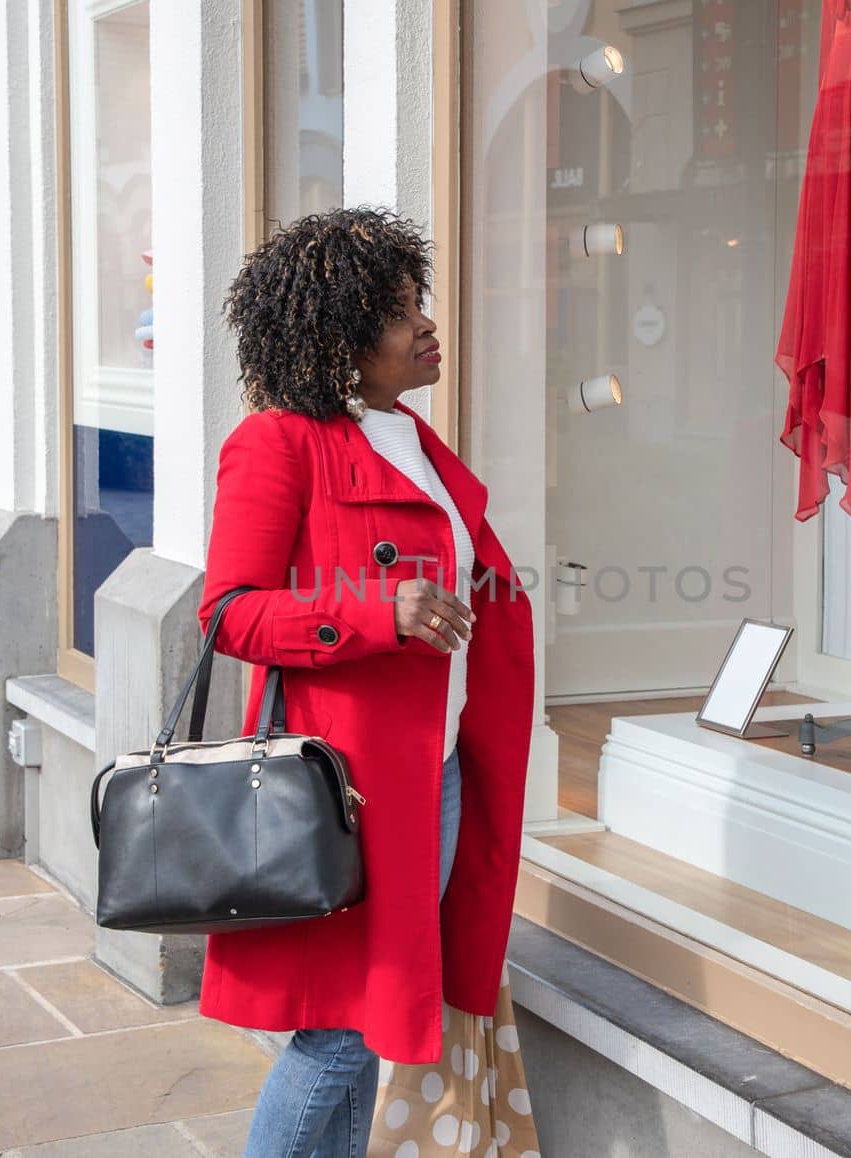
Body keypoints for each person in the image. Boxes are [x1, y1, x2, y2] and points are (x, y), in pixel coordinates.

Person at [198, 207, 536, 1158]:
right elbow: (229, 611)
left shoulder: (412, 441)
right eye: (398, 313)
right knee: (341, 1035)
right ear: (338, 339)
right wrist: (376, 613)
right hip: (348, 787)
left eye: (417, 303)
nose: (426, 327)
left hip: (439, 768)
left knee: (366, 1027)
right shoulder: (279, 443)